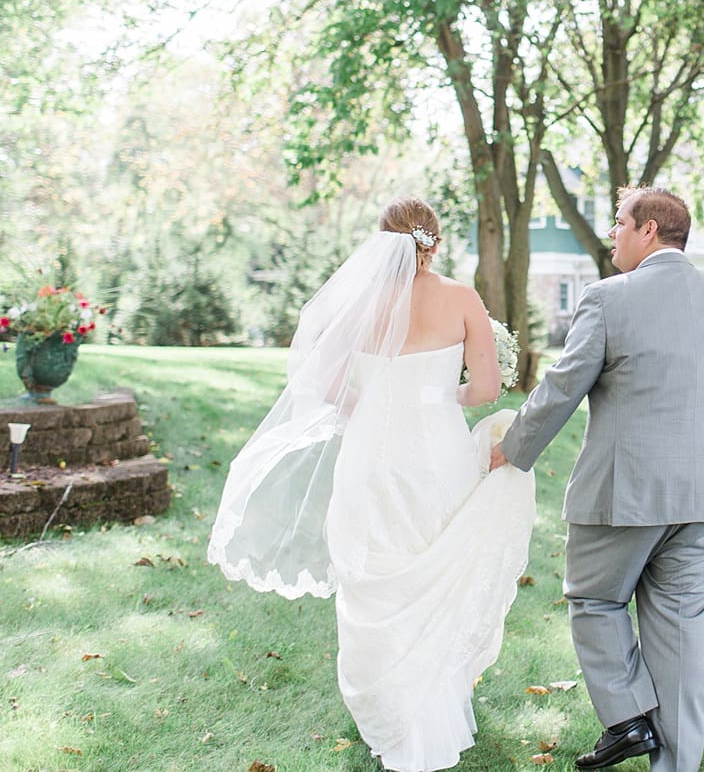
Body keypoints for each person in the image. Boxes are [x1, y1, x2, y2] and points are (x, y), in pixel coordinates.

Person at [208, 197, 535, 772]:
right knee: (431, 572)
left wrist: (372, 402)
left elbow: (320, 376)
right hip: (437, 450)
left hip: (371, 454)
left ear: (382, 242)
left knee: (373, 572)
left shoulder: (362, 300)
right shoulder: (461, 298)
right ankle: (431, 713)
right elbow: (485, 388)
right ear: (434, 242)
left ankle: (388, 716)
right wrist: (440, 395)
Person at [491, 185, 704, 771]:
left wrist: (512, 449)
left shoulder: (607, 299)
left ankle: (625, 721)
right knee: (682, 644)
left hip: (625, 495)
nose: (611, 233)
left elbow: (563, 387)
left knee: (594, 599)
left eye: (619, 222)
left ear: (649, 230)